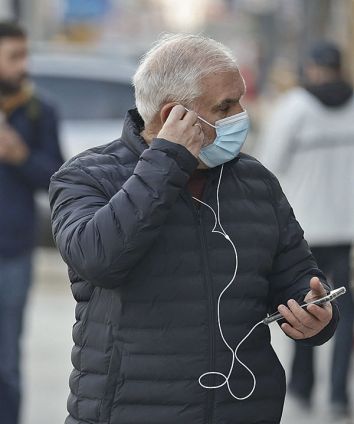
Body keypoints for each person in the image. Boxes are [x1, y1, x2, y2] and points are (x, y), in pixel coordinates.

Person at [49, 34, 338, 424]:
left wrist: (316, 314)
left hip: (243, 407)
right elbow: (99, 260)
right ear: (173, 115)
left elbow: (298, 276)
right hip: (129, 411)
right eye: (225, 106)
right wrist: (168, 159)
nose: (241, 114)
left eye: (240, 99)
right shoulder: (86, 176)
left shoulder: (255, 181)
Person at [255, 41, 354, 419]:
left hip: (306, 229)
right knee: (346, 314)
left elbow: (269, 165)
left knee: (303, 307)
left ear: (311, 67)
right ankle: (339, 397)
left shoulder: (294, 107)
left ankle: (301, 388)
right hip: (348, 230)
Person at [0, 21, 63, 424]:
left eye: (25, 54)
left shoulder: (40, 111)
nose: (23, 65)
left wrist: (19, 155)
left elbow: (55, 179)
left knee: (6, 362)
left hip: (12, 253)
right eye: (13, 56)